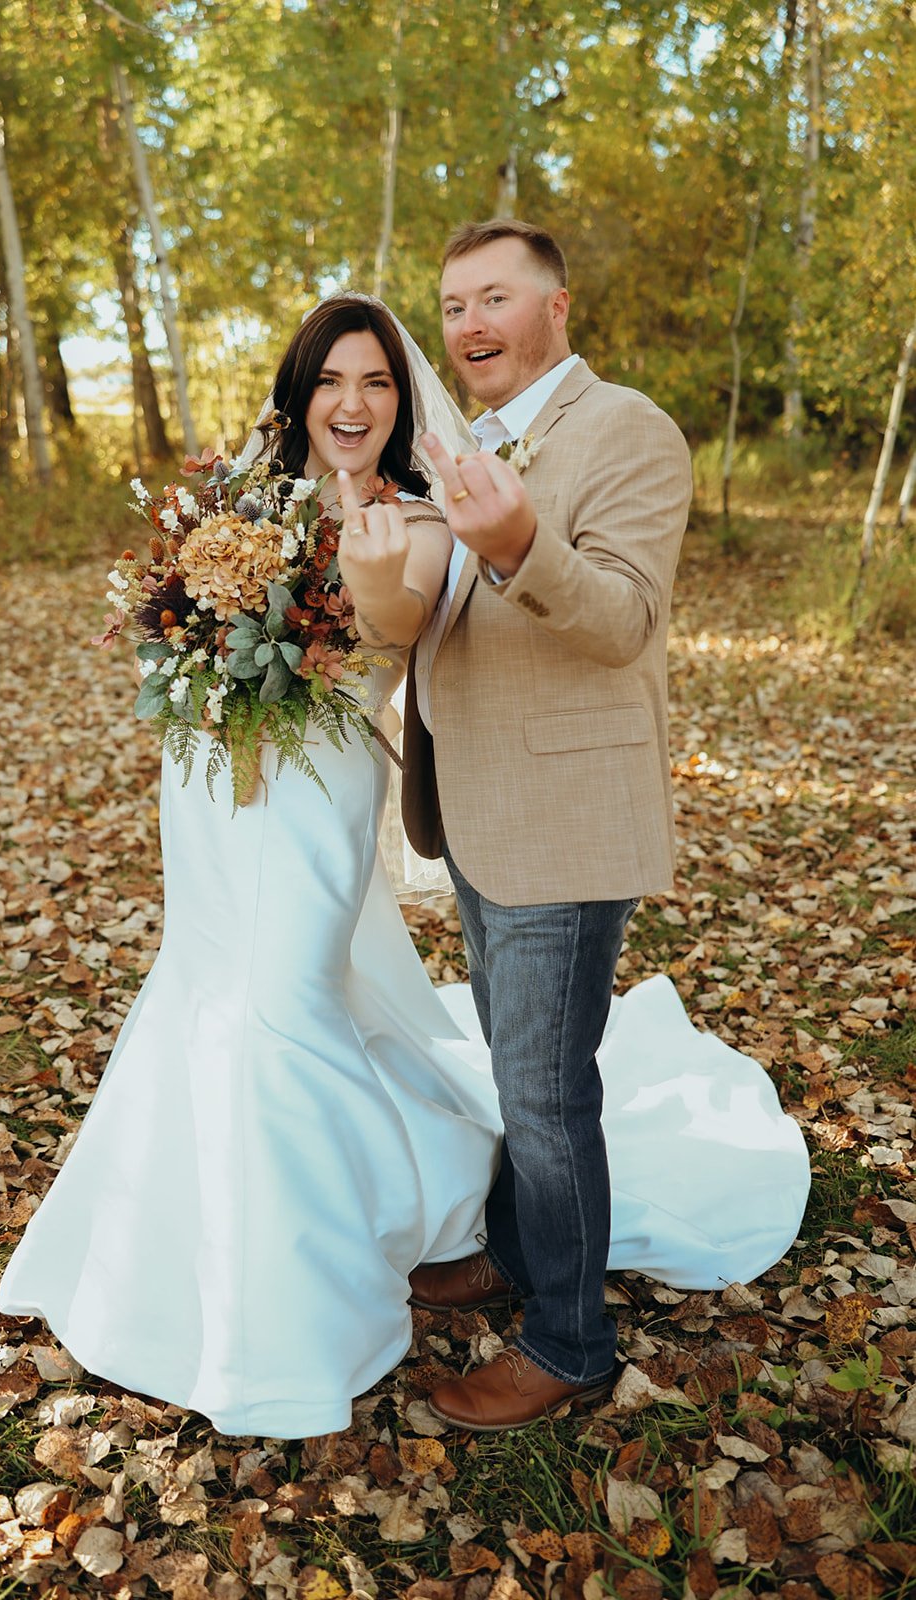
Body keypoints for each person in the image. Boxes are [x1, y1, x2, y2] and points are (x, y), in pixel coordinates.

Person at [0, 291, 809, 1440]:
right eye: (331, 379)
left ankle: (296, 1303)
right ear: (300, 392)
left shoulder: (418, 521)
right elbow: (176, 625)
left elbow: (390, 613)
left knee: (282, 1008)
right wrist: (191, 629)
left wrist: (359, 580)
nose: (351, 401)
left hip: (315, 794)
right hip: (211, 792)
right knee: (207, 993)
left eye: (376, 381)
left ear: (403, 400)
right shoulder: (244, 503)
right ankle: (164, 1239)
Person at [392, 217, 706, 1429]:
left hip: (566, 813)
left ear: (556, 307)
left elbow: (623, 619)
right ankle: (520, 1257)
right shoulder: (462, 442)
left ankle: (570, 1342)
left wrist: (518, 542)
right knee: (522, 1069)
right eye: (453, 305)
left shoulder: (626, 429)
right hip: (480, 803)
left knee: (542, 1089)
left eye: (493, 300)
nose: (468, 326)